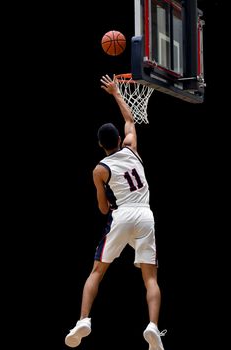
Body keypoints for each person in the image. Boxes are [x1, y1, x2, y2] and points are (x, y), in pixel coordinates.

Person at [65, 74, 166, 350]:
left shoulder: (99, 169)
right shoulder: (132, 149)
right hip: (145, 214)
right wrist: (115, 93)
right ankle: (153, 326)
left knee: (97, 271)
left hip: (121, 216)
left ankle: (83, 320)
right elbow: (131, 119)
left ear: (100, 145)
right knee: (150, 277)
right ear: (120, 139)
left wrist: (107, 199)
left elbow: (101, 208)